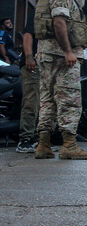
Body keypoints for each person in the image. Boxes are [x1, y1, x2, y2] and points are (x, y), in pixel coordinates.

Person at [32, 0, 87, 161]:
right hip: (61, 55)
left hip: (47, 54)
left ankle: (43, 144)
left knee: (48, 100)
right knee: (69, 99)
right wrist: (68, 51)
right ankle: (69, 145)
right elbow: (59, 23)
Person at [15, 13, 40, 153]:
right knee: (31, 101)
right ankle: (25, 140)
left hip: (45, 65)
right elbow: (28, 35)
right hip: (33, 65)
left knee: (42, 103)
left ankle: (37, 139)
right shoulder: (38, 13)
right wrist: (29, 57)